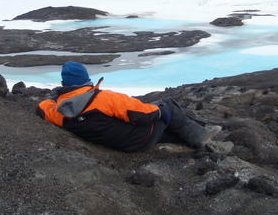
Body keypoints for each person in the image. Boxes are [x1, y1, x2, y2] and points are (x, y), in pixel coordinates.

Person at [36, 61, 221, 152]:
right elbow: (142, 113)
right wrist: (161, 111)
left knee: (169, 128)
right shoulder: (103, 98)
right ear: (85, 79)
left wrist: (57, 99)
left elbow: (42, 106)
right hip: (139, 138)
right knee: (169, 105)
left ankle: (200, 143)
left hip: (123, 143)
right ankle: (202, 137)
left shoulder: (60, 112)